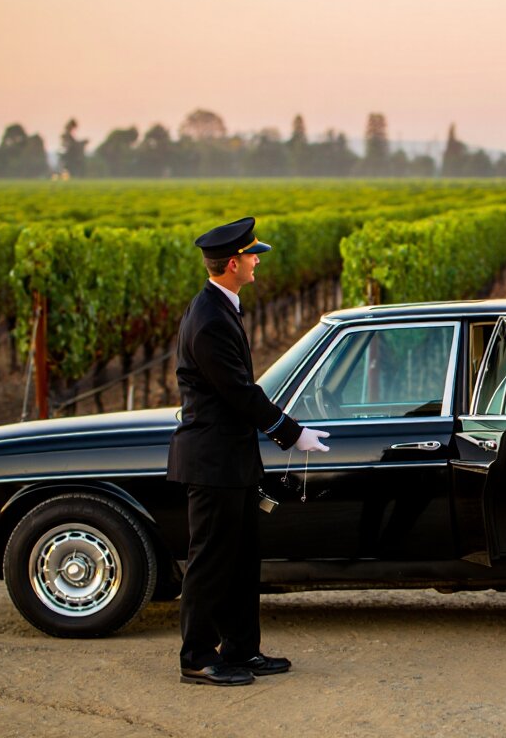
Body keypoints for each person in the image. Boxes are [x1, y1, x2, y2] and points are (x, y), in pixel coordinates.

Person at [167, 216, 332, 687]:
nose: (258, 261)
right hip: (213, 463)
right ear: (232, 263)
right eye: (252, 255)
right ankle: (197, 657)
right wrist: (291, 433)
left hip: (230, 460)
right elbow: (239, 392)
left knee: (241, 562)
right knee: (210, 562)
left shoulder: (220, 308)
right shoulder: (209, 319)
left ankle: (241, 649)